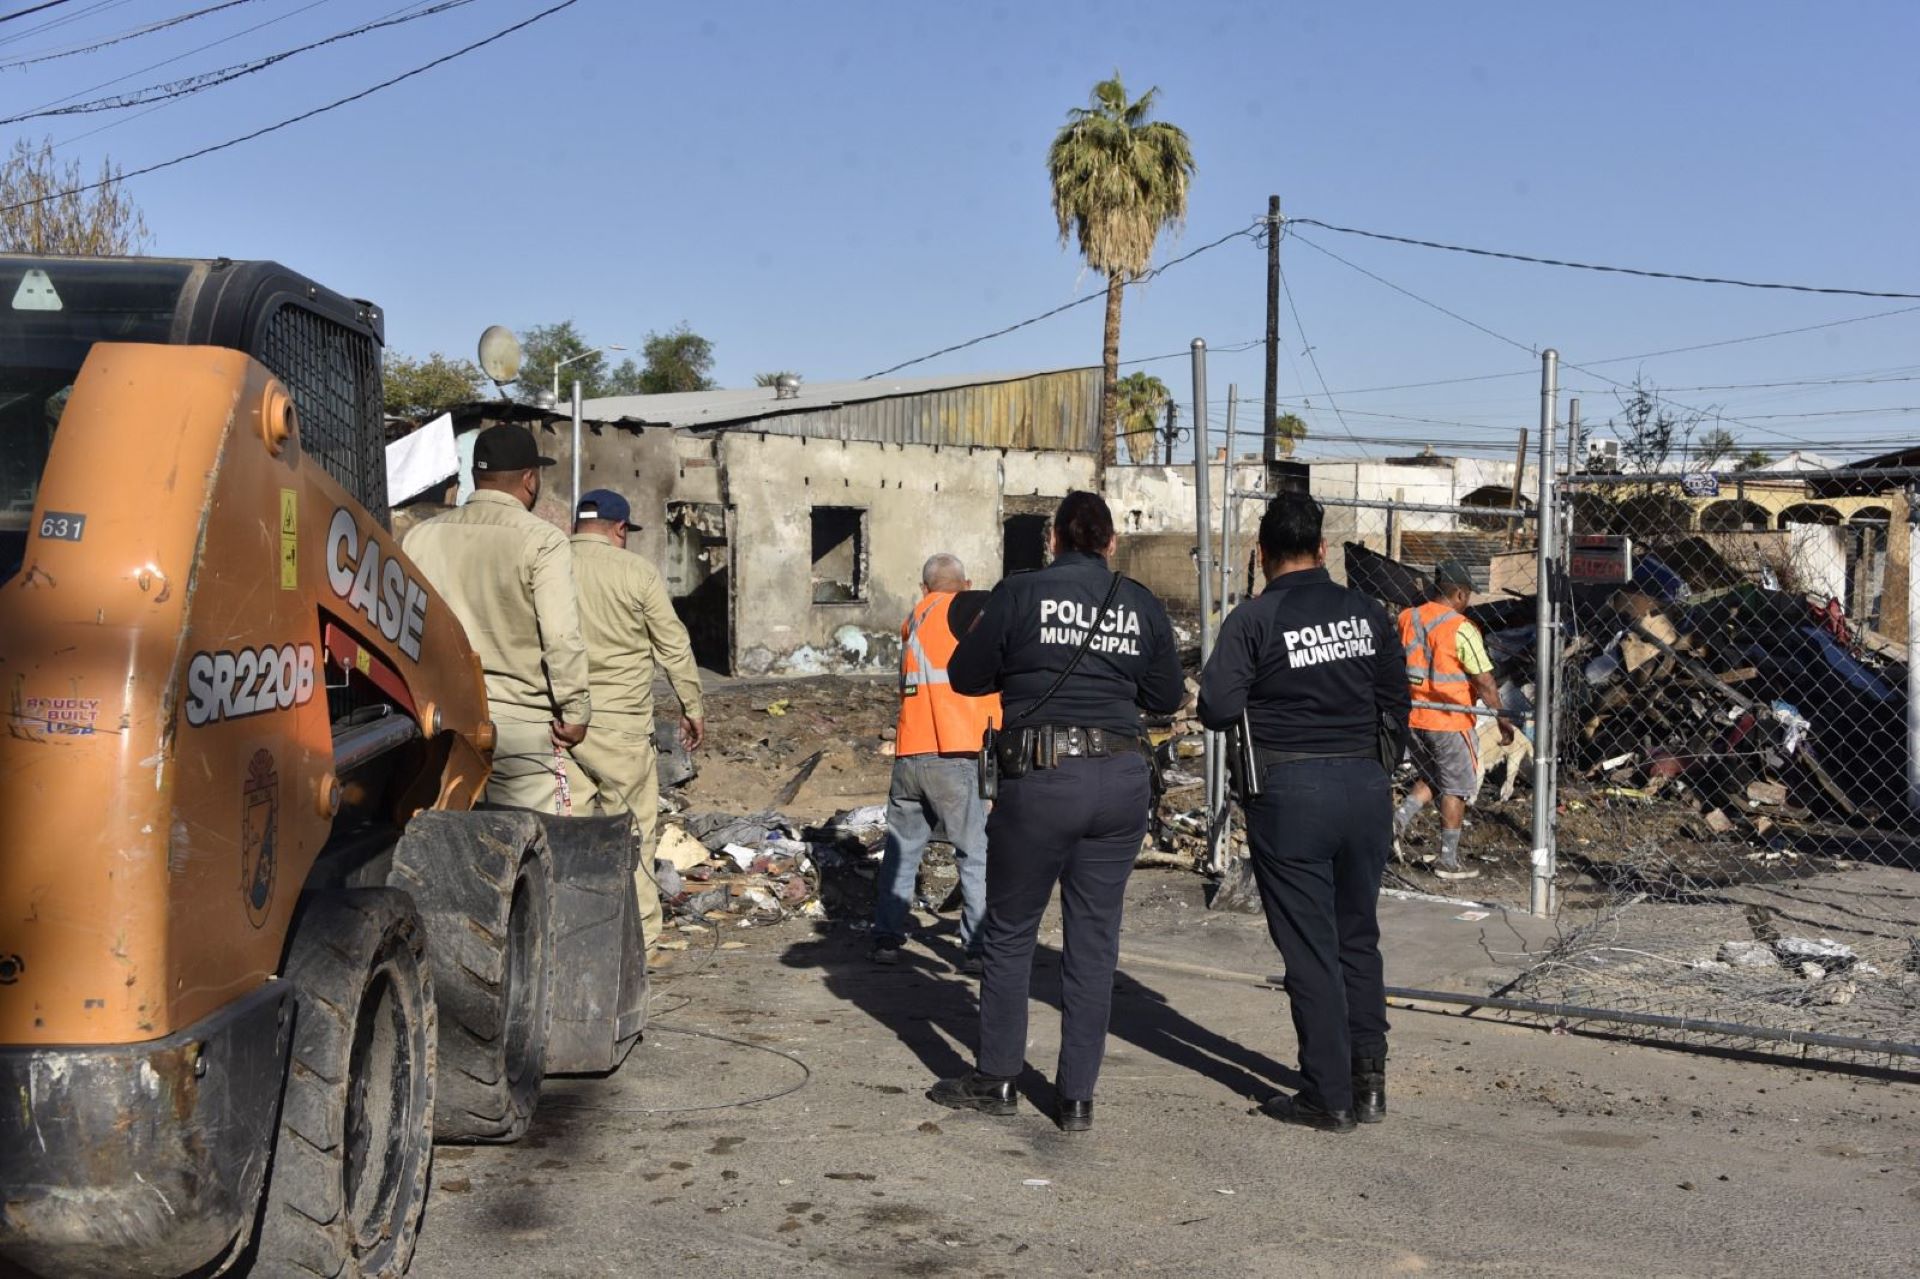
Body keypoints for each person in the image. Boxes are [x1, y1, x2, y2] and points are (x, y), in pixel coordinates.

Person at [929, 492, 1184, 1133]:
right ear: (1111, 544)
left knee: (1013, 932)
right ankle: (1076, 1098)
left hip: (1042, 777)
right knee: (1094, 942)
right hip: (1123, 780)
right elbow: (1166, 694)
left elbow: (964, 675)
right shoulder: (1139, 600)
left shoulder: (1021, 593)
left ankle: (997, 1078)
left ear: (1053, 541)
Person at [1198, 493, 1411, 1133]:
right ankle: (1368, 1079)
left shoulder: (1255, 618)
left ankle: (1327, 1093)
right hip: (1364, 786)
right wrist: (1374, 766)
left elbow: (1215, 706)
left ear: (1260, 555)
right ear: (1322, 551)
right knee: (1358, 934)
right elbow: (1395, 699)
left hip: (1289, 789)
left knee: (1311, 948)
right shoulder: (1367, 612)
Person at [402, 424, 590, 810]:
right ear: (529, 479)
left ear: (475, 477)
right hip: (517, 726)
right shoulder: (542, 540)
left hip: (439, 722)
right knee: (530, 848)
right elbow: (560, 637)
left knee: (448, 845)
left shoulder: (420, 537)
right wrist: (575, 710)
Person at [567, 488, 707, 953]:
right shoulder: (635, 572)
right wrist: (692, 707)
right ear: (619, 529)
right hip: (621, 729)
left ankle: (575, 940)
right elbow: (673, 645)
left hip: (559, 726)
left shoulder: (545, 564)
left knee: (569, 839)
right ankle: (640, 942)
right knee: (634, 837)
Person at [871, 554, 1001, 973]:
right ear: (965, 584)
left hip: (910, 752)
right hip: (954, 751)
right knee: (973, 852)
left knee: (903, 851)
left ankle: (887, 939)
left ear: (924, 587)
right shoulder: (967, 615)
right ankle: (977, 947)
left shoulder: (913, 621)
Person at [1393, 558, 1515, 880]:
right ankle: (1447, 861)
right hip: (1450, 719)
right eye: (1469, 595)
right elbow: (1485, 682)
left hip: (1414, 718)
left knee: (1434, 776)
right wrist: (1502, 719)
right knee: (1456, 788)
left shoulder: (1407, 618)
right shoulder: (1461, 628)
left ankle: (1397, 821)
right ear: (1459, 594)